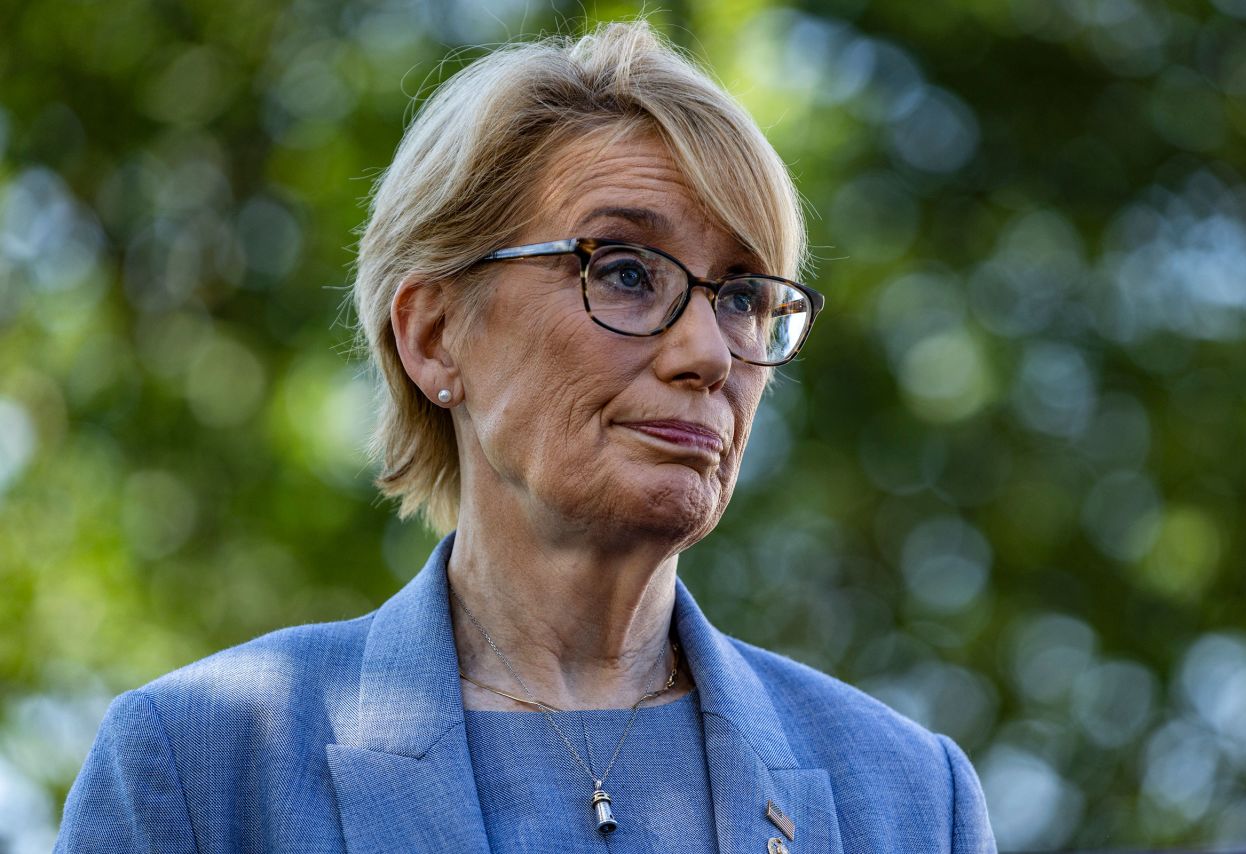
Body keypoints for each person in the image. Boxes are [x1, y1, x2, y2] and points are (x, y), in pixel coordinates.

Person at [55, 21, 996, 853]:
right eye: (626, 270)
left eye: (744, 296)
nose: (710, 351)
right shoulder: (203, 768)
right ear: (432, 335)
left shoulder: (915, 801)